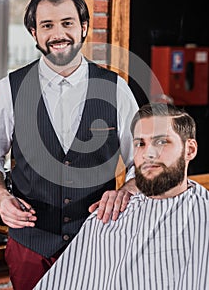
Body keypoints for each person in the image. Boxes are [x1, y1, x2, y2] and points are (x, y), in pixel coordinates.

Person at [0, 0, 139, 289]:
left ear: (83, 28)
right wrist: (0, 196)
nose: (58, 33)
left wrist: (127, 190)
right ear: (34, 33)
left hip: (98, 240)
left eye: (67, 23)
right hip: (30, 247)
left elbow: (142, 161)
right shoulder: (10, 88)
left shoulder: (115, 88)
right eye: (47, 25)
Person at [34, 103, 209, 290]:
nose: (148, 153)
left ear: (189, 149)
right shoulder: (106, 218)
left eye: (161, 142)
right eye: (140, 144)